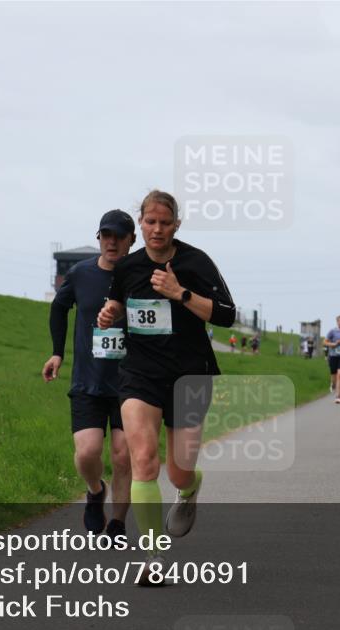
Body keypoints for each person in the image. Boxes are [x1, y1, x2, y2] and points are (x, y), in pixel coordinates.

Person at [97, 190, 235, 585]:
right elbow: (118, 303)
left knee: (178, 471)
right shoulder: (127, 267)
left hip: (190, 374)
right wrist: (111, 312)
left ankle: (189, 489)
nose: (157, 229)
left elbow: (227, 315)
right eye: (150, 222)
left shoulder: (196, 262)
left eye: (165, 222)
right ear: (140, 224)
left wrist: (181, 294)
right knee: (143, 459)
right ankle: (153, 557)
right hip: (140, 375)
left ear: (176, 225)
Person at [43, 211, 135, 538]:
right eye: (105, 235)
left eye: (118, 236)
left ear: (131, 241)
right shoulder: (81, 274)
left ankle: (118, 524)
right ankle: (96, 490)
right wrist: (57, 352)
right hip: (88, 380)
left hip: (131, 384)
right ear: (99, 238)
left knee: (123, 456)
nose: (111, 241)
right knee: (87, 452)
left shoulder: (141, 276)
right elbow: (58, 308)